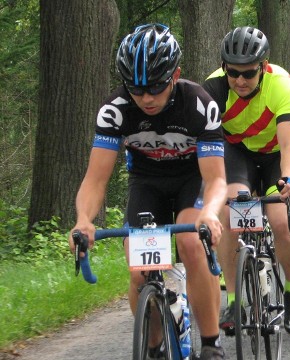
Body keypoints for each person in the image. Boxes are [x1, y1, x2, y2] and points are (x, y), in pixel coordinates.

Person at [67, 24, 227, 359]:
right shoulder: (115, 110)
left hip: (191, 180)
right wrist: (83, 220)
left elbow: (215, 180)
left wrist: (210, 213)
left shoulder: (199, 105)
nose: (147, 98)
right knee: (139, 270)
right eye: (136, 89)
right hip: (147, 183)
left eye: (155, 86)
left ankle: (211, 343)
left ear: (175, 75)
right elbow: (96, 179)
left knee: (191, 243)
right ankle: (153, 346)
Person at [202, 26, 290, 335]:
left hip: (276, 153)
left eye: (248, 73)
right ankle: (234, 300)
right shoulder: (213, 89)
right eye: (233, 72)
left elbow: (289, 145)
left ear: (263, 66)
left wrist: (288, 180)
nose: (240, 80)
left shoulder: (282, 85)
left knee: (280, 219)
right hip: (238, 153)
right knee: (232, 211)